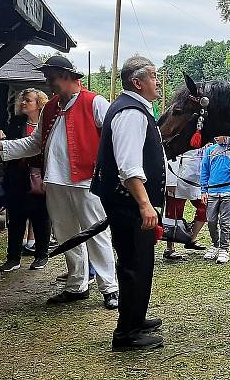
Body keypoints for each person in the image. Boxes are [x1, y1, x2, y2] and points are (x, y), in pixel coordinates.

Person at [0, 56, 119, 309]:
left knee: (96, 233)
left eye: (52, 77)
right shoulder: (51, 107)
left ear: (68, 76)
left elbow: (115, 137)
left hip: (86, 180)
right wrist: (4, 146)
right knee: (67, 234)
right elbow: (34, 143)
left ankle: (110, 288)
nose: (49, 82)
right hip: (55, 181)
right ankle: (77, 285)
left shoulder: (95, 102)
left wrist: (111, 173)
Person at [91, 56, 166, 351]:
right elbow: (129, 167)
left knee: (138, 262)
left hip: (126, 201)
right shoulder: (131, 113)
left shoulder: (132, 108)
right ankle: (127, 335)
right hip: (129, 202)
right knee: (135, 264)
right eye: (153, 76)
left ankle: (135, 317)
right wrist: (145, 205)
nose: (158, 81)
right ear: (137, 82)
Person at [0, 88, 50, 271]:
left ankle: (41, 255)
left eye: (28, 100)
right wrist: (0, 134)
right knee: (16, 218)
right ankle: (13, 258)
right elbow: (7, 143)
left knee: (41, 217)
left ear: (38, 103)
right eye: (22, 100)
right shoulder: (17, 122)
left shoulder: (48, 123)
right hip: (18, 177)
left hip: (41, 176)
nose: (23, 103)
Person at [201, 137, 230, 264]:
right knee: (211, 220)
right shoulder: (210, 150)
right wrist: (204, 191)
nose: (215, 137)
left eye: (219, 135)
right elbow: (205, 171)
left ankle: (224, 249)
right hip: (212, 192)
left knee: (225, 222)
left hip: (228, 192)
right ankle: (215, 245)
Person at [163, 148, 208, 260]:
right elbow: (173, 157)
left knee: (206, 208)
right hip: (179, 182)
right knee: (173, 215)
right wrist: (170, 181)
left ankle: (191, 238)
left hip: (197, 182)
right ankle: (170, 248)